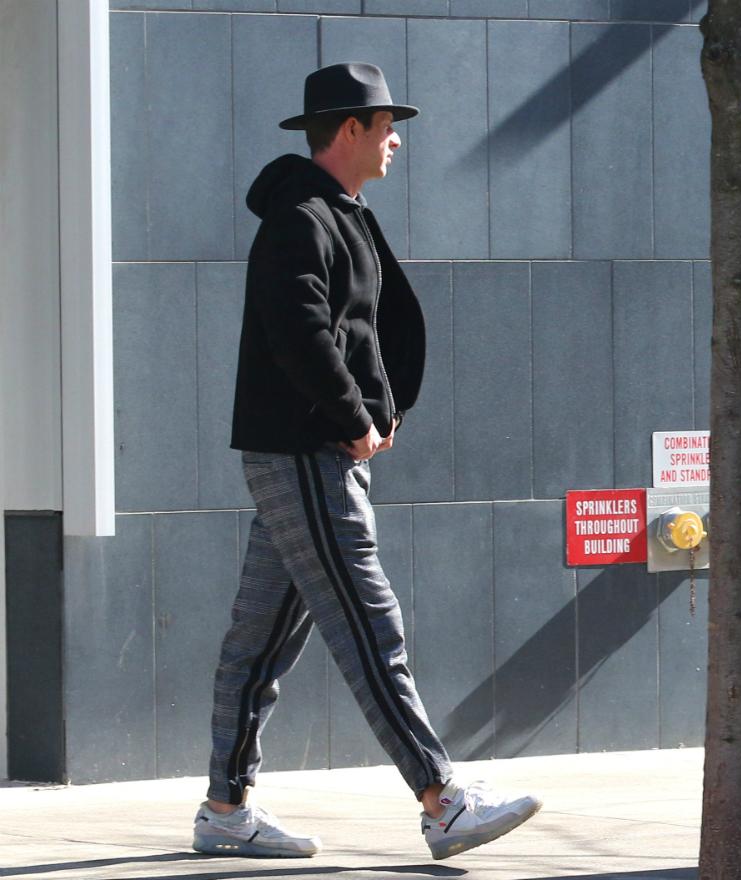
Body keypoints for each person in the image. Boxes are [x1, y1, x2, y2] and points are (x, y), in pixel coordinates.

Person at [193, 62, 541, 861]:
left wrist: (381, 409)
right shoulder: (302, 217)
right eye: (387, 127)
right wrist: (353, 419)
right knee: (368, 621)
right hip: (307, 454)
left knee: (258, 642)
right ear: (348, 129)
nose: (396, 142)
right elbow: (302, 332)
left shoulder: (333, 212)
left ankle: (224, 807)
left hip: (307, 452)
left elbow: (353, 332)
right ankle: (442, 799)